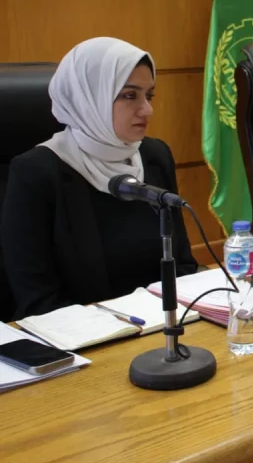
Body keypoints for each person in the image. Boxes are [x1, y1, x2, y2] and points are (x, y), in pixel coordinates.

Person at [1, 37, 198, 319]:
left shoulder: (155, 156)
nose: (147, 109)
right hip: (81, 335)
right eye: (130, 95)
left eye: (149, 95)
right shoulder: (36, 172)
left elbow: (184, 266)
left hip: (161, 324)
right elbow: (38, 301)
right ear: (89, 99)